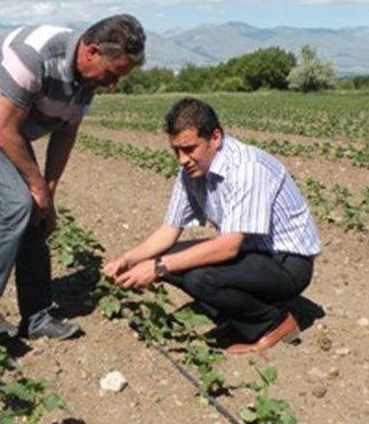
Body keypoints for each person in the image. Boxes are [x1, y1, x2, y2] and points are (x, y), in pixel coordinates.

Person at [0, 15, 146, 339]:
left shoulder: (87, 80)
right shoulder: (33, 55)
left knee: (36, 212)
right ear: (91, 52)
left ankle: (36, 318)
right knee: (15, 203)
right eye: (111, 74)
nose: (112, 84)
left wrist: (47, 196)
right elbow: (4, 131)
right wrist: (36, 188)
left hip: (11, 132)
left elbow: (65, 133)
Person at [103, 97, 322, 355]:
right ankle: (233, 312)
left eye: (189, 148)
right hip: (253, 256)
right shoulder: (191, 171)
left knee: (198, 278)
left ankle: (273, 324)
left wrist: (158, 267)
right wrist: (128, 259)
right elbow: (169, 230)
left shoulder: (247, 167)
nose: (182, 159)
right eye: (176, 150)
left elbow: (228, 247)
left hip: (287, 263)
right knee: (167, 256)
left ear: (215, 137)